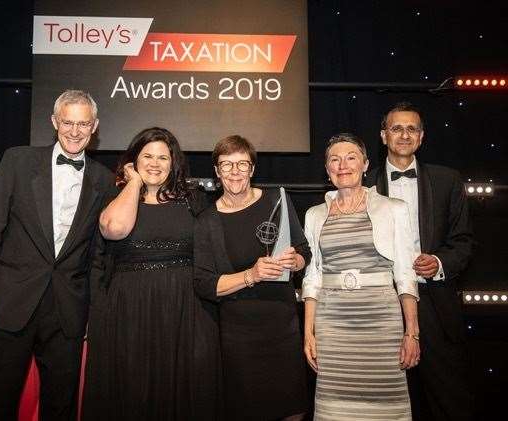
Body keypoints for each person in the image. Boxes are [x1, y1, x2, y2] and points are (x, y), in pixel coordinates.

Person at [0, 90, 115, 420]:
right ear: (54, 122)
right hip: (10, 302)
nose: (75, 131)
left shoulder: (105, 180)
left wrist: (93, 311)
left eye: (83, 124)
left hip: (68, 311)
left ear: (94, 126)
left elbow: (97, 254)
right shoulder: (17, 161)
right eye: (67, 122)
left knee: (61, 407)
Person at [82, 127, 220, 420]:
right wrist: (134, 183)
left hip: (185, 310)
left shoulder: (193, 199)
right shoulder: (116, 193)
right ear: (134, 160)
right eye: (147, 156)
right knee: (133, 390)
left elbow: (210, 255)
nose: (155, 163)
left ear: (174, 164)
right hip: (129, 309)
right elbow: (114, 229)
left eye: (163, 158)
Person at [366, 102, 475, 420]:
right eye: (396, 128)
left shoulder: (447, 180)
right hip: (382, 306)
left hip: (434, 304)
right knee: (385, 402)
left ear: (422, 137)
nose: (404, 135)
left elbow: (464, 241)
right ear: (384, 135)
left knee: (448, 398)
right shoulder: (364, 185)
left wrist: (440, 263)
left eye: (411, 128)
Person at [302, 133, 420, 420]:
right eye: (334, 159)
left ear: (366, 164)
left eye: (351, 157)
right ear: (327, 169)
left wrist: (411, 332)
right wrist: (308, 332)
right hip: (332, 325)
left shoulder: (394, 209)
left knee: (386, 403)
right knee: (333, 408)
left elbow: (405, 274)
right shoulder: (314, 214)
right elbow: (312, 277)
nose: (343, 165)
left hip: (381, 323)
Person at [194, 135, 310, 421]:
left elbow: (304, 250)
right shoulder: (206, 221)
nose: (235, 171)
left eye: (242, 164)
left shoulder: (277, 199)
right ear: (217, 171)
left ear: (253, 169)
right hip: (239, 335)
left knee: (292, 411)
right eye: (227, 164)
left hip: (282, 326)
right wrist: (251, 275)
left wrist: (296, 262)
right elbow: (205, 284)